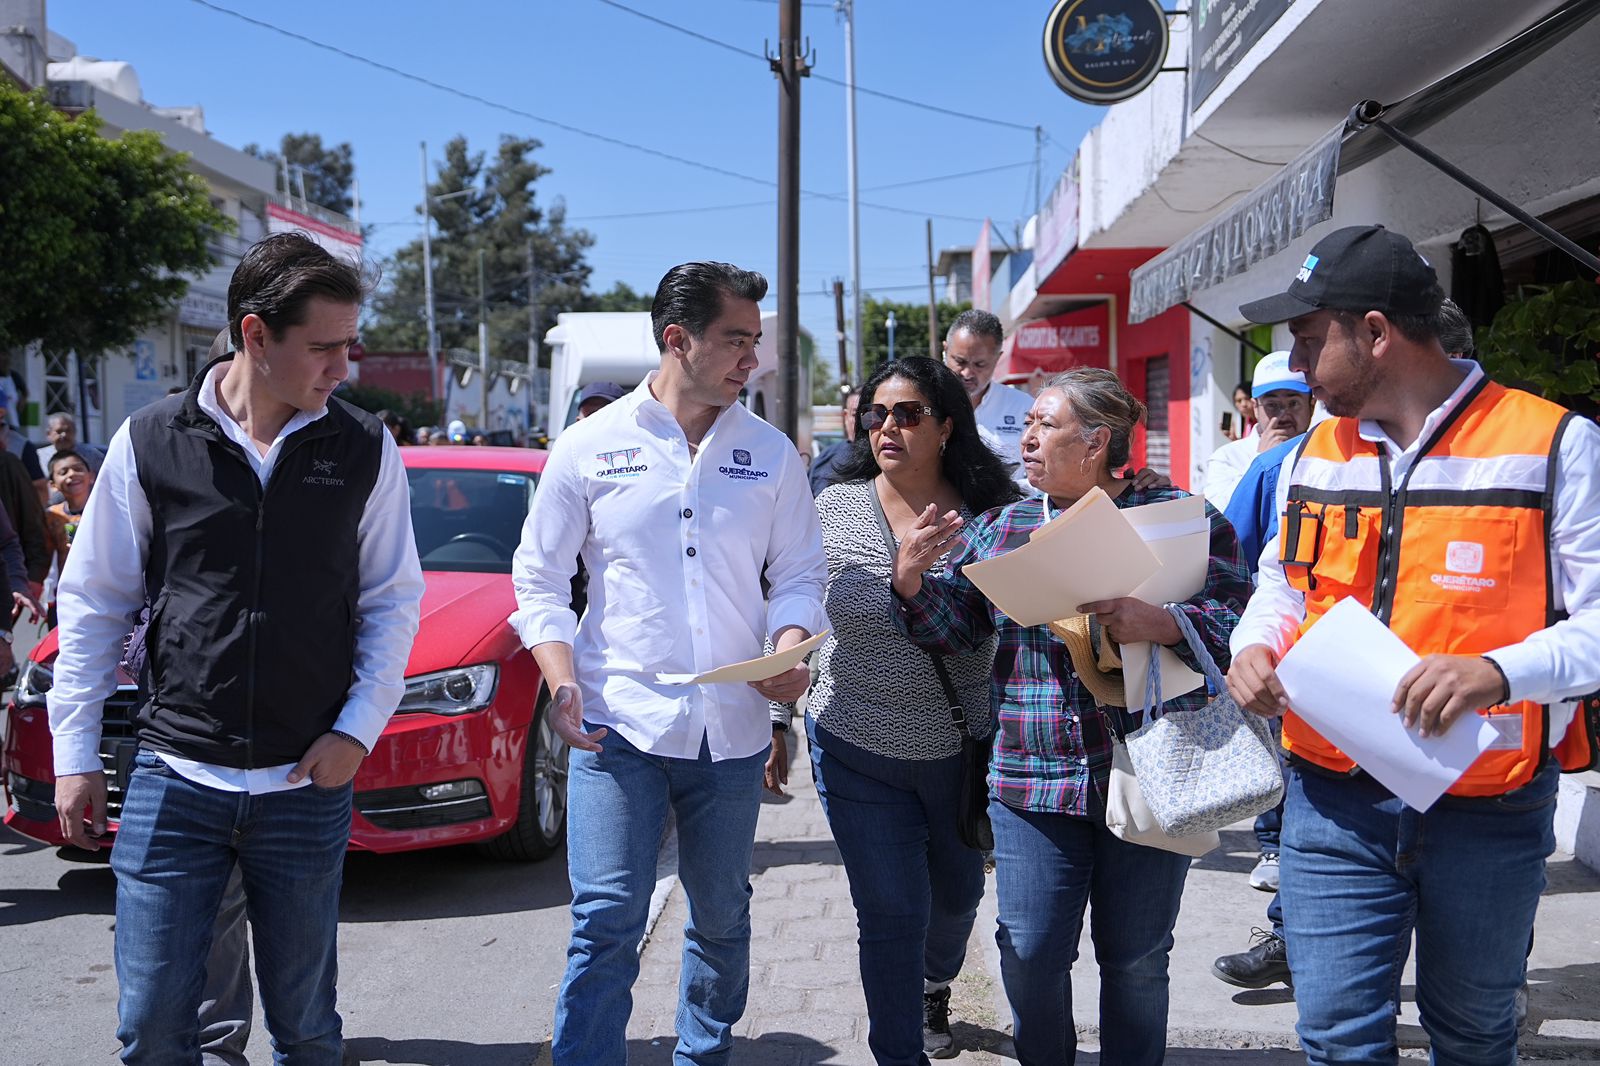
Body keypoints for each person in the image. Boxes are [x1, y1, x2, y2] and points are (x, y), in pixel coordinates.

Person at [1225, 224, 1600, 1065]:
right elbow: (1285, 583)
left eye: (1309, 337)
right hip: (1330, 802)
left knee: (1471, 1036)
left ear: (1376, 333)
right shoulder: (1310, 454)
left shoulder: (1553, 444)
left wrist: (1500, 672)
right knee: (1335, 1040)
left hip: (1487, 805)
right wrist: (1256, 644)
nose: (1295, 361)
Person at [48, 231, 425, 1064]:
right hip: (174, 778)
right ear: (256, 336)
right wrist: (73, 751)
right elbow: (95, 601)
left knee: (307, 1031)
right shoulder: (152, 440)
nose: (342, 367)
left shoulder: (363, 446)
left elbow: (393, 602)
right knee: (151, 1027)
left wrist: (357, 732)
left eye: (348, 347)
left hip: (303, 784)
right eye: (323, 347)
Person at [509, 260, 827, 1065]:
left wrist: (790, 650)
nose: (750, 358)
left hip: (733, 731)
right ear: (676, 339)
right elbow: (539, 577)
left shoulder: (771, 454)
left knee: (721, 915)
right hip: (616, 727)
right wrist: (560, 678)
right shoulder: (589, 446)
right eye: (734, 340)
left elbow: (798, 573)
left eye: (755, 341)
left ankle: (702, 1055)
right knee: (605, 918)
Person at [894, 368, 1251, 1066]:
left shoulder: (1181, 518)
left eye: (1044, 424)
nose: (1025, 436)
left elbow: (1244, 617)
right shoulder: (1006, 525)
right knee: (1027, 952)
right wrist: (910, 583)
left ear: (1095, 443)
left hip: (1156, 771)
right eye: (1026, 422)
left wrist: (1167, 622)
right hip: (1032, 781)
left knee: (1138, 958)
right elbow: (953, 627)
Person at [800, 357, 1022, 1063]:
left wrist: (922, 587)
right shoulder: (831, 509)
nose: (887, 427)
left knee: (955, 902)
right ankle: (899, 1051)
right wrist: (902, 585)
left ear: (948, 424)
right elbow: (816, 609)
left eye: (908, 413)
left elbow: (999, 620)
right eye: (877, 414)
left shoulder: (992, 515)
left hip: (959, 748)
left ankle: (935, 983)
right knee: (891, 914)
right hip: (854, 739)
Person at [1201, 352, 1311, 512]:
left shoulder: (1326, 454)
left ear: (1312, 405)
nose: (1283, 415)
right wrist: (1261, 463)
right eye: (1272, 405)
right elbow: (1218, 515)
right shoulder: (1227, 457)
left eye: (1293, 403)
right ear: (1255, 407)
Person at [942, 309, 1033, 473]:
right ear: (945, 350)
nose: (967, 373)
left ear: (998, 358)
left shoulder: (1024, 407)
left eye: (979, 364)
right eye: (960, 361)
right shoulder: (924, 403)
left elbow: (1042, 476)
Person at [43, 450, 94, 627]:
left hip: (103, 591)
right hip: (67, 595)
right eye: (63, 472)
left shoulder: (107, 510)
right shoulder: (51, 517)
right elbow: (44, 559)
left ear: (92, 476)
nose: (72, 474)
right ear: (53, 484)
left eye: (78, 469)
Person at [808, 387, 860, 496]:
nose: (861, 421)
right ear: (845, 416)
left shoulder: (888, 461)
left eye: (867, 414)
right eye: (855, 415)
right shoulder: (824, 459)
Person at [41, 412, 107, 474]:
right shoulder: (40, 457)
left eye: (68, 431)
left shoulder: (92, 456)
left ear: (75, 432)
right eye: (59, 431)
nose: (64, 435)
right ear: (48, 434)